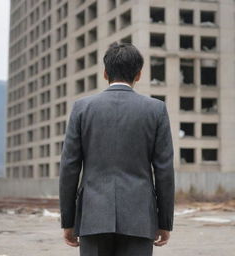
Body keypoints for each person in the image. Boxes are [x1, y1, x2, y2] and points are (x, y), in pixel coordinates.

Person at [59, 42, 175, 256]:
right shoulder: (156, 110)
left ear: (105, 73)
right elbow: (164, 170)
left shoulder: (82, 108)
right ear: (138, 75)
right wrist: (165, 221)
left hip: (93, 217)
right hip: (139, 218)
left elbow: (69, 167)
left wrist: (68, 221)